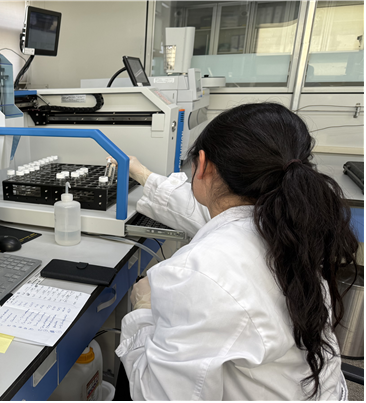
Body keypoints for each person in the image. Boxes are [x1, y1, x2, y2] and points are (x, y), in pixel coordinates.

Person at [115, 103, 359, 400]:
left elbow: (158, 395)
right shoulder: (292, 224)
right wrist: (141, 173)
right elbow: (212, 210)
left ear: (202, 164)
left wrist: (142, 312)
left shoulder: (201, 273)